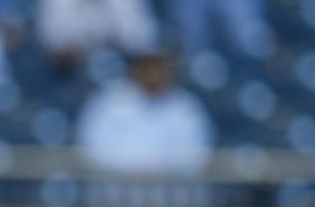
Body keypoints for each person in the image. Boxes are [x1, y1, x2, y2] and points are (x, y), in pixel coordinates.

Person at [75, 48, 215, 174]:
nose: (153, 74)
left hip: (170, 192)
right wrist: (135, 170)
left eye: (158, 67)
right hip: (117, 190)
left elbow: (198, 155)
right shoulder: (107, 102)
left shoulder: (186, 107)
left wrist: (157, 170)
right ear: (135, 69)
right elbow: (90, 149)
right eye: (147, 67)